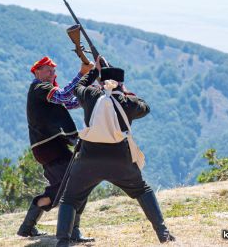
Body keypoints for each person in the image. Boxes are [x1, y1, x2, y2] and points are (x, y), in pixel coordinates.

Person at [55, 57, 176, 246]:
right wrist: (125, 92)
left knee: (69, 199)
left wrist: (94, 71)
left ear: (101, 82)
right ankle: (163, 234)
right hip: (120, 160)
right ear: (120, 83)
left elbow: (79, 86)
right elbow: (146, 107)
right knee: (143, 190)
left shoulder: (89, 95)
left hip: (88, 159)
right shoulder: (128, 102)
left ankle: (62, 242)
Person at [17, 56, 94, 243]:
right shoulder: (40, 87)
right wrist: (84, 74)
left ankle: (27, 227)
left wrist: (91, 90)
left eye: (53, 71)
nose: (53, 74)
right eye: (48, 70)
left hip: (50, 147)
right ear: (37, 72)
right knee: (77, 182)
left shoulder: (44, 91)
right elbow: (65, 96)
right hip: (50, 147)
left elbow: (71, 102)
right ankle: (73, 231)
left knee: (61, 189)